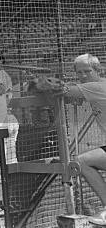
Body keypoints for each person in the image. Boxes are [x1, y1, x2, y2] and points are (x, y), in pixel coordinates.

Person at [57, 54, 106, 224]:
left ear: (98, 70)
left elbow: (62, 90)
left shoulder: (97, 87)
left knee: (81, 161)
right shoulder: (94, 88)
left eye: (87, 71)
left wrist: (43, 82)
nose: (83, 75)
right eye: (79, 72)